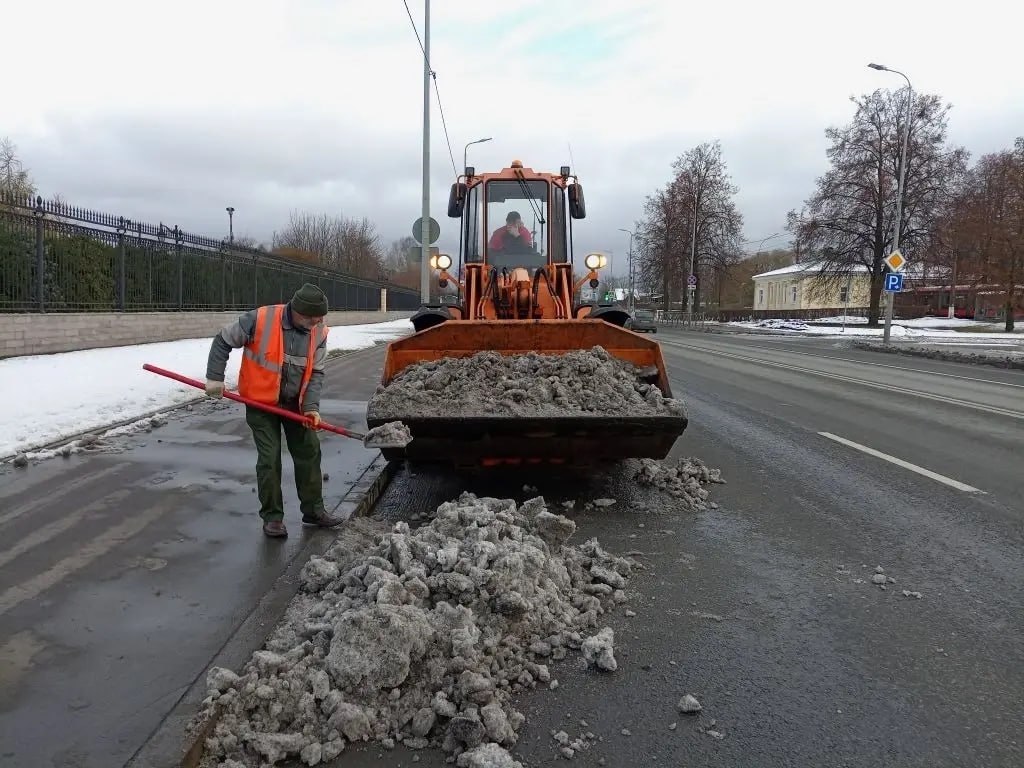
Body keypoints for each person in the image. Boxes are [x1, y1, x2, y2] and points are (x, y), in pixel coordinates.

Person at [204, 283, 342, 538]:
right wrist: (214, 377)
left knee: (309, 451)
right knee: (269, 459)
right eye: (315, 317)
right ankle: (273, 518)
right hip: (261, 404)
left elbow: (316, 374)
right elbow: (223, 340)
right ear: (300, 312)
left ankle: (313, 510)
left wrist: (311, 408)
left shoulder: (319, 332)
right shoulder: (260, 319)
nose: (319, 322)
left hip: (295, 404)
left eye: (321, 317)